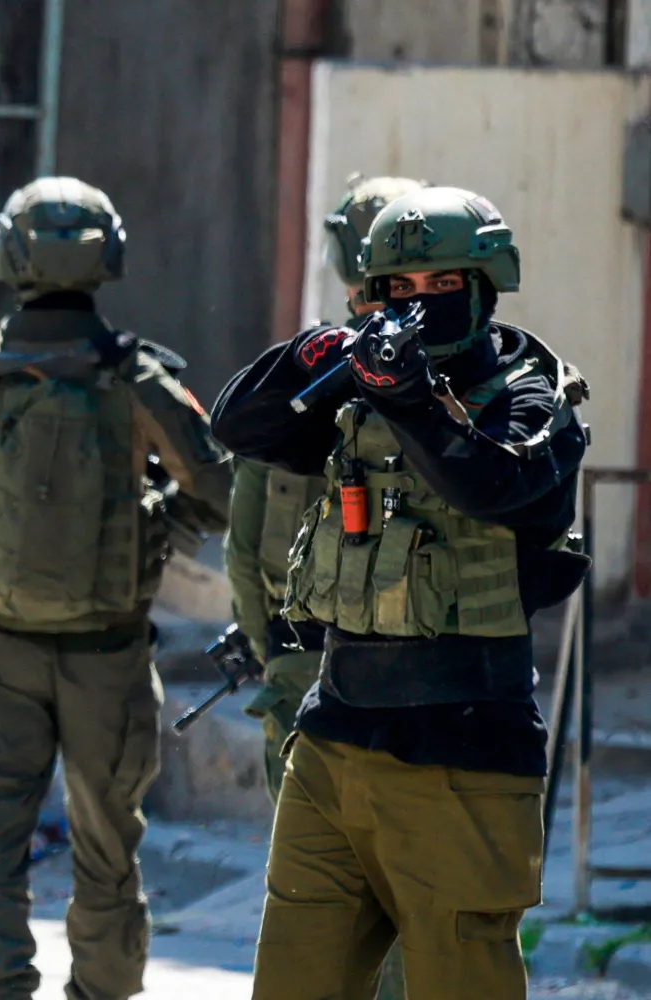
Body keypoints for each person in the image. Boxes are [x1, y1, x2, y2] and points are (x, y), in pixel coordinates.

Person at [210, 187, 589, 999]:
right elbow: (238, 423)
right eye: (398, 290)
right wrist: (322, 354)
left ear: (485, 288)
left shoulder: (532, 392)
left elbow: (497, 486)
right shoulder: (363, 390)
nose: (418, 305)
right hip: (335, 742)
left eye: (441, 286)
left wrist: (411, 395)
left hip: (463, 758)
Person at [0, 177, 232, 1000]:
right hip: (108, 651)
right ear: (108, 256)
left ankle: (2, 988)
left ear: (12, 255)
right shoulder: (138, 375)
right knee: (109, 848)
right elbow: (219, 495)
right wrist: (157, 523)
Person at [229, 175, 426, 802]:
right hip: (423, 659)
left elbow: (243, 545)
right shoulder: (452, 367)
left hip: (300, 654)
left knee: (309, 873)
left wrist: (270, 653)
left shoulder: (302, 371)